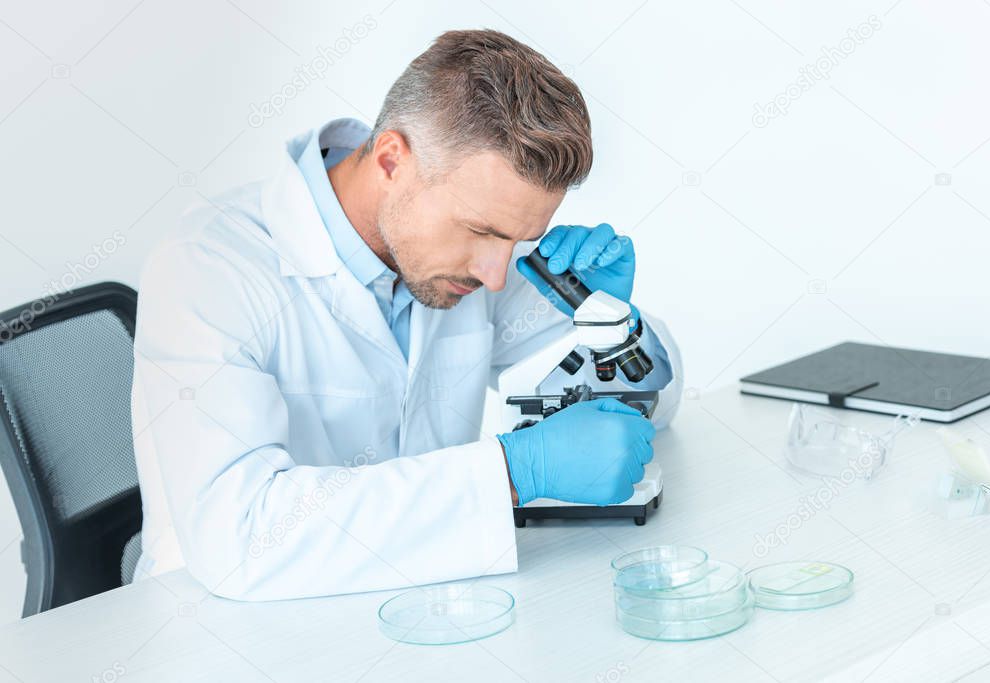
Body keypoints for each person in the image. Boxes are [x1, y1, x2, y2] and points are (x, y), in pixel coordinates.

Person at [130, 28, 683, 600]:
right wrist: (512, 474)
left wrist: (614, 325)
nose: (497, 273)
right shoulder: (208, 266)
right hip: (219, 636)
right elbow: (240, 539)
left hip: (414, 611)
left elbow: (652, 411)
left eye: (520, 239)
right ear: (392, 160)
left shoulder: (473, 258)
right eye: (481, 232)